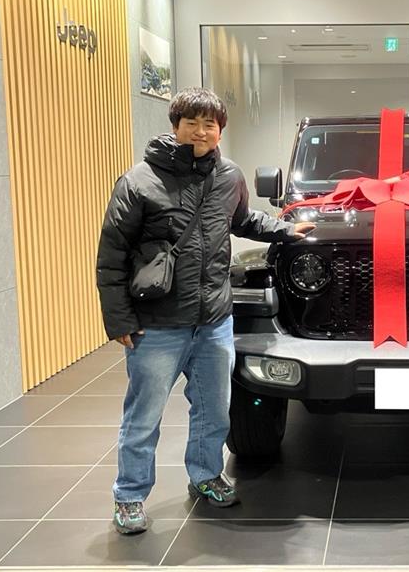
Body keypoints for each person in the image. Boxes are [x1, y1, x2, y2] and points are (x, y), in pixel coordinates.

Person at [96, 87, 314, 534]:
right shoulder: (138, 181)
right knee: (144, 417)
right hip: (157, 325)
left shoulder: (229, 175)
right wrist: (118, 319)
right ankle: (130, 495)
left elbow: (244, 220)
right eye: (191, 122)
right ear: (175, 126)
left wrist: (286, 230)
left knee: (214, 410)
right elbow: (111, 256)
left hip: (214, 320)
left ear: (220, 130)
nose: (200, 131)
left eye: (209, 124)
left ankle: (205, 476)